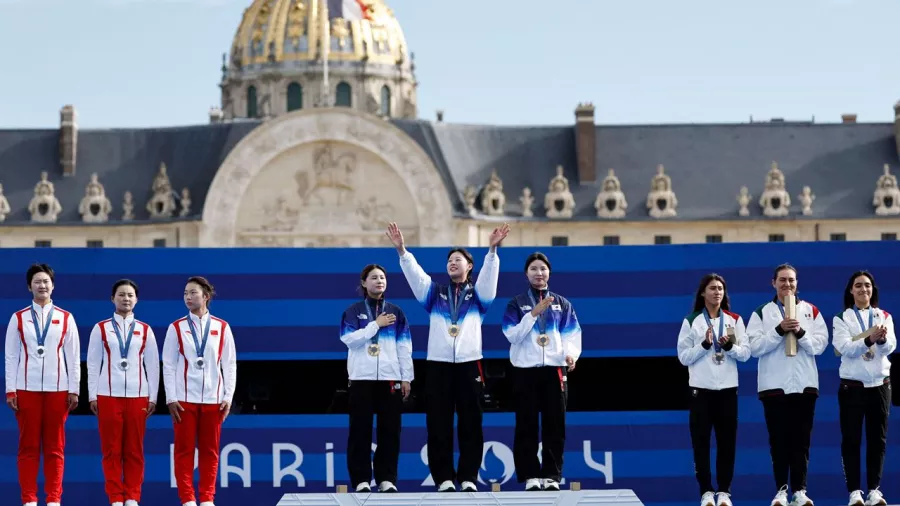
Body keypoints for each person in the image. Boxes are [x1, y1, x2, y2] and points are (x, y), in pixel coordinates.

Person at [385, 221, 509, 492]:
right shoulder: (435, 295)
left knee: (471, 423)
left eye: (458, 260)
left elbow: (490, 280)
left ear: (469, 267)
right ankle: (443, 478)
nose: (452, 263)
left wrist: (492, 251)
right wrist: (402, 252)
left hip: (469, 365)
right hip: (439, 366)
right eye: (450, 260)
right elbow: (417, 278)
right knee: (438, 423)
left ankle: (467, 478)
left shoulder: (479, 296)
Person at [747, 263, 828, 506]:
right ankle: (781, 490)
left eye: (791, 280)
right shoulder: (761, 313)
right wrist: (778, 330)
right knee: (779, 440)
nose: (787, 285)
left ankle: (800, 491)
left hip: (804, 386)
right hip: (774, 386)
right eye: (782, 280)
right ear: (773, 283)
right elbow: (754, 348)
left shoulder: (811, 311)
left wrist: (800, 332)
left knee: (801, 441)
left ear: (797, 283)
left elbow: (820, 345)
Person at [500, 252, 581, 492]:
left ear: (549, 273)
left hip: (555, 369)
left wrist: (571, 355)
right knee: (526, 425)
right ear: (526, 274)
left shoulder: (562, 303)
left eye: (543, 269)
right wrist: (532, 315)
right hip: (525, 370)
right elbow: (512, 335)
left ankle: (552, 476)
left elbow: (572, 334)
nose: (539, 273)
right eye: (534, 269)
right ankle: (530, 476)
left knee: (555, 424)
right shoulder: (516, 303)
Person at [4, 263, 80, 506]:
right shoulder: (18, 318)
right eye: (37, 281)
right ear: (29, 287)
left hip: (58, 390)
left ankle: (54, 500)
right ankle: (29, 500)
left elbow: (73, 357)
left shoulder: (66, 318)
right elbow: (11, 357)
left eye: (46, 281)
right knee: (28, 447)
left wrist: (74, 389)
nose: (42, 285)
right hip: (26, 389)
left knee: (55, 448)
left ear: (53, 285)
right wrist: (10, 389)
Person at [676, 273, 751, 506]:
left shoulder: (735, 320)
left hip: (728, 390)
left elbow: (746, 354)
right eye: (712, 288)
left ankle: (724, 491)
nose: (717, 292)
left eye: (720, 288)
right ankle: (706, 491)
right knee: (701, 443)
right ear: (702, 293)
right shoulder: (692, 321)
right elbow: (683, 357)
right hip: (701, 391)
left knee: (727, 442)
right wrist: (705, 345)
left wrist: (729, 347)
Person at [340, 263, 414, 493]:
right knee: (360, 430)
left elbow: (405, 347)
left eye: (382, 277)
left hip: (390, 378)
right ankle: (361, 480)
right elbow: (349, 339)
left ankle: (387, 479)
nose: (379, 281)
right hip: (361, 378)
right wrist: (375, 325)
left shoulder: (396, 312)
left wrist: (406, 377)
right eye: (373, 277)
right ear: (364, 283)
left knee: (390, 431)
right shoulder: (353, 311)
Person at [162, 276, 236, 506]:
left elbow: (229, 364)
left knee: (210, 452)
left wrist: (228, 396)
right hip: (184, 399)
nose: (188, 297)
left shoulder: (221, 327)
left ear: (206, 296)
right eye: (185, 293)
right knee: (183, 451)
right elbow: (169, 364)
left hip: (214, 399)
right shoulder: (176, 327)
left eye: (192, 293)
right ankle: (187, 499)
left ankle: (206, 499)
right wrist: (171, 398)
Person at [87, 279, 160, 506]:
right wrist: (92, 394)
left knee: (134, 451)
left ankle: (132, 497)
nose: (125, 299)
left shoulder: (145, 330)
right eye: (121, 295)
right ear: (112, 299)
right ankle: (116, 498)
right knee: (111, 450)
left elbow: (153, 365)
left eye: (130, 295)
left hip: (138, 395)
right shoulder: (101, 329)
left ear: (136, 300)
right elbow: (92, 363)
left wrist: (153, 396)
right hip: (108, 394)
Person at [832, 271, 894, 506]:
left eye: (867, 286)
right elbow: (844, 348)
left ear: (872, 290)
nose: (863, 290)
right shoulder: (842, 318)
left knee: (878, 439)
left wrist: (881, 340)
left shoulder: (884, 316)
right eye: (858, 286)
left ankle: (874, 490)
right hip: (852, 387)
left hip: (880, 385)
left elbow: (891, 347)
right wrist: (869, 340)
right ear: (851, 290)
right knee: (851, 439)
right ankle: (854, 492)